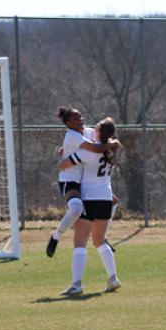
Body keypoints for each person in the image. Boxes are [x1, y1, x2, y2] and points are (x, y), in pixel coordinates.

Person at [57, 117, 121, 295]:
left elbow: (64, 165)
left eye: (96, 129)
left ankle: (76, 284)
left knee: (80, 242)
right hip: (106, 198)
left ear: (99, 132)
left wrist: (62, 156)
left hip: (89, 198)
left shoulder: (89, 152)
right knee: (99, 240)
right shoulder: (111, 152)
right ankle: (113, 278)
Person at [46, 107, 120, 257]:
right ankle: (56, 237)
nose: (80, 120)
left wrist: (112, 140)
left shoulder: (87, 131)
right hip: (70, 180)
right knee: (76, 209)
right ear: (67, 123)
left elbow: (102, 135)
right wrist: (113, 144)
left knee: (112, 201)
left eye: (80, 117)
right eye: (75, 119)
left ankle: (102, 236)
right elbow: (95, 147)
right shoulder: (72, 135)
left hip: (85, 182)